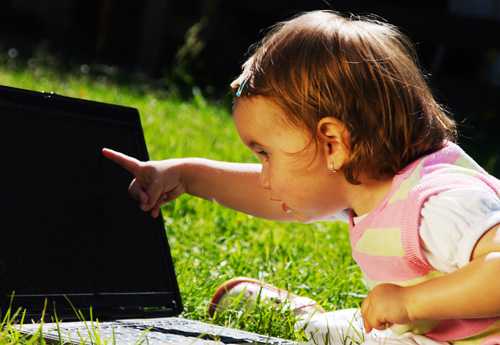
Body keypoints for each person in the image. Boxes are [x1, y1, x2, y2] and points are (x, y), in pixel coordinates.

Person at [101, 10, 500, 345]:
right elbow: (275, 196)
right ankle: (306, 319)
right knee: (355, 331)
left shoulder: (439, 201)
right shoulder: (368, 185)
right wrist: (188, 176)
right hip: (426, 333)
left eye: (265, 154)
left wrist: (411, 303)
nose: (265, 174)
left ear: (332, 144)